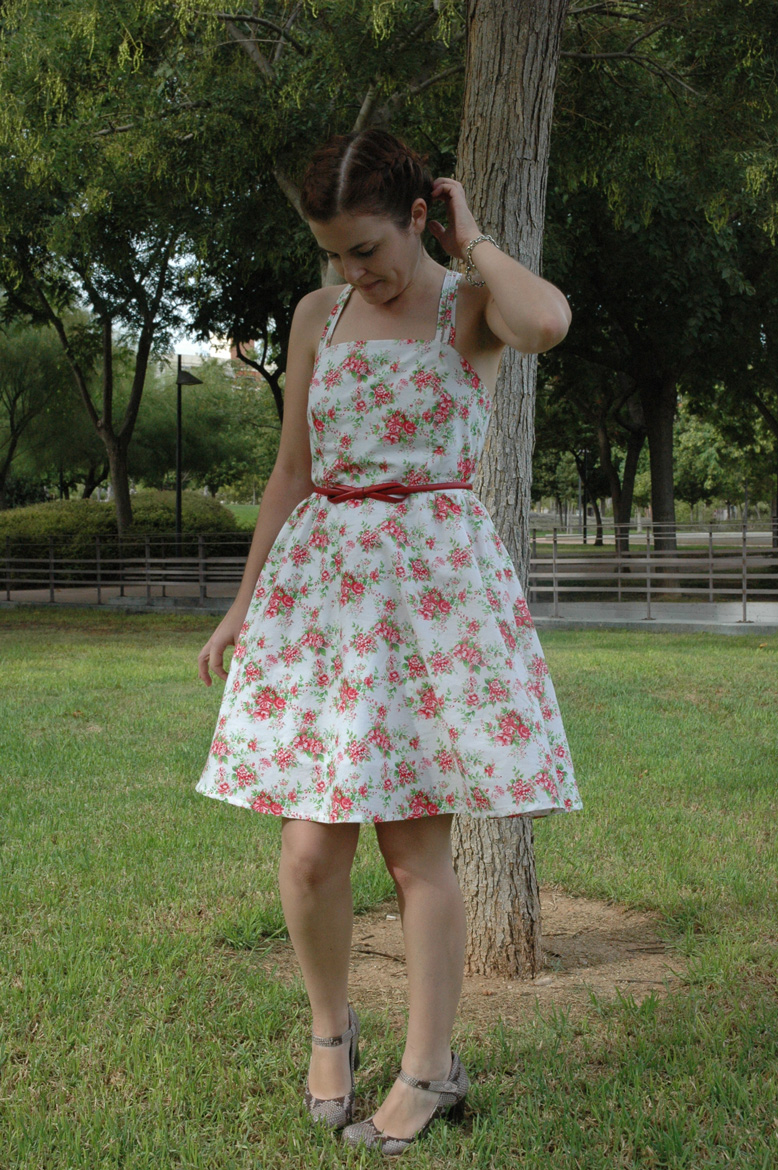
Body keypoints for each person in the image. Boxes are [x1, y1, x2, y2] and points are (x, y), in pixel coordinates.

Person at [195, 128, 583, 1155]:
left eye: (366, 248)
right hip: (325, 595)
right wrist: (242, 604)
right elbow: (290, 472)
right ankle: (332, 1030)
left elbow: (546, 322)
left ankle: (429, 1070)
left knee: (416, 852)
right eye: (334, 253)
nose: (351, 271)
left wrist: (475, 239)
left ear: (418, 216)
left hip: (434, 600)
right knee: (309, 847)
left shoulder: (471, 306)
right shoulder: (317, 316)